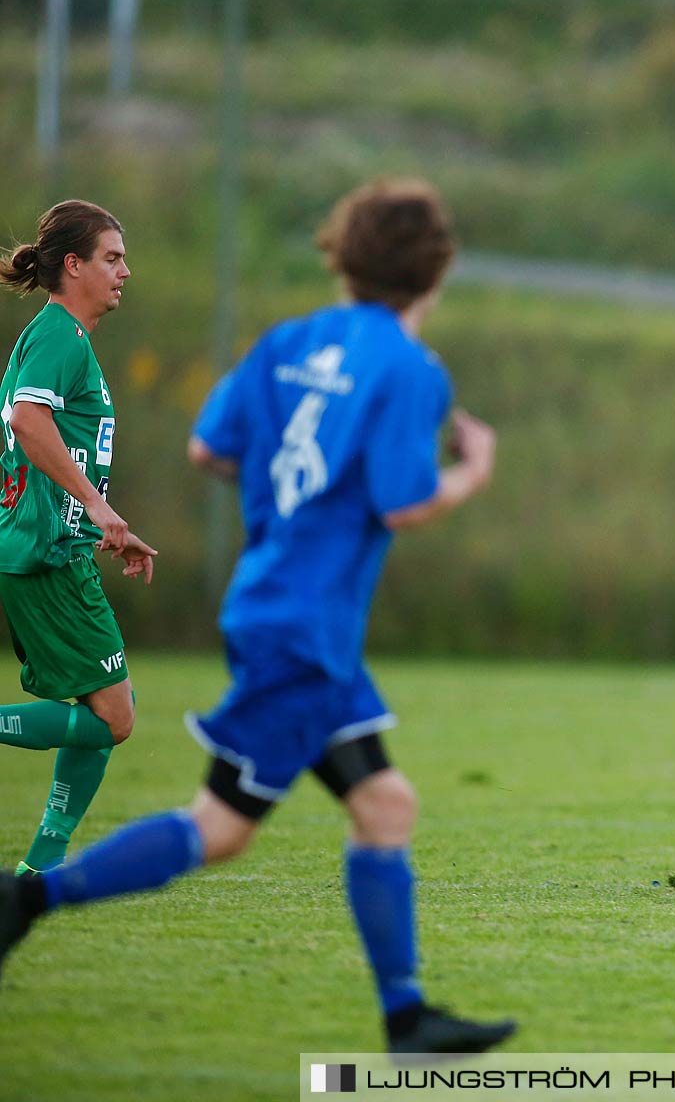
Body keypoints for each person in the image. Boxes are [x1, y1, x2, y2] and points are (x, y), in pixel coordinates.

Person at [0, 179, 515, 1057]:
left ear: (343, 260)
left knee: (385, 805)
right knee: (221, 829)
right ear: (434, 273)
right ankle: (28, 901)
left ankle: (408, 1020)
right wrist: (474, 469)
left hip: (275, 608)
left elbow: (210, 447)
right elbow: (403, 502)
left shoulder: (288, 343)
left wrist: (294, 491)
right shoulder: (410, 370)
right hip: (306, 629)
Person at [0, 201, 157, 879]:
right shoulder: (60, 335)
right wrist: (94, 507)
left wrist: (95, 518)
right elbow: (28, 419)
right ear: (74, 265)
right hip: (46, 558)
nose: (125, 271)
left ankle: (43, 865)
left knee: (104, 709)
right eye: (111, 258)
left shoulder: (61, 338)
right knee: (114, 719)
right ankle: (44, 862)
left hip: (51, 548)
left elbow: (44, 445)